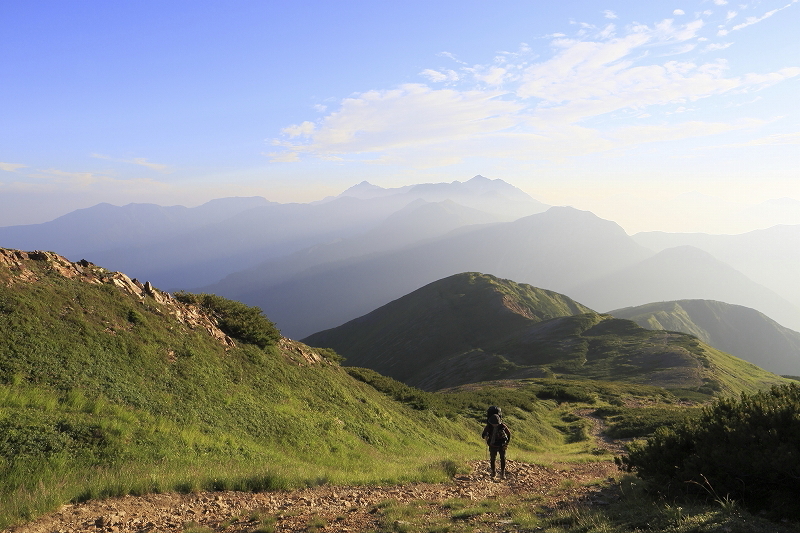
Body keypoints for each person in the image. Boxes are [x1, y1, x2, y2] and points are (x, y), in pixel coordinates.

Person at [481, 413, 511, 479]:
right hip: (492, 445)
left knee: (503, 458)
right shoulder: (488, 426)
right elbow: (483, 434)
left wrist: (506, 444)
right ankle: (493, 472)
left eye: (496, 424)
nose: (495, 425)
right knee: (492, 459)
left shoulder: (502, 426)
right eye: (494, 424)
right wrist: (485, 436)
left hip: (501, 445)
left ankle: (502, 473)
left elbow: (508, 434)